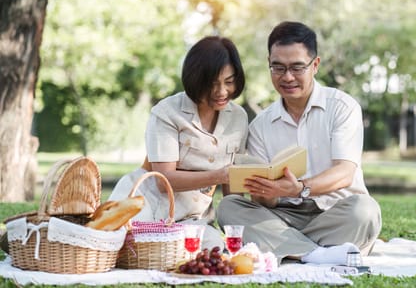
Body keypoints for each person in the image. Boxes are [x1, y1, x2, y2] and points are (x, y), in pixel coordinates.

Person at [217, 21, 382, 265]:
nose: (288, 77)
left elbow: (345, 174)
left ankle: (288, 247)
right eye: (278, 68)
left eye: (297, 67)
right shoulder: (260, 125)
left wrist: (298, 188)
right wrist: (266, 192)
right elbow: (264, 203)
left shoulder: (342, 107)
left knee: (365, 211)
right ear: (269, 64)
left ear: (315, 65)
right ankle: (318, 253)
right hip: (284, 215)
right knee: (229, 207)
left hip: (336, 211)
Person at [109, 36, 248, 250]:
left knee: (214, 249)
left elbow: (233, 191)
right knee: (130, 249)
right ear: (196, 79)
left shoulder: (238, 117)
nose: (222, 92)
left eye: (229, 82)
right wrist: (218, 176)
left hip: (191, 219)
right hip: (143, 205)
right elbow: (163, 180)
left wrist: (237, 231)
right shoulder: (166, 113)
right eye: (213, 84)